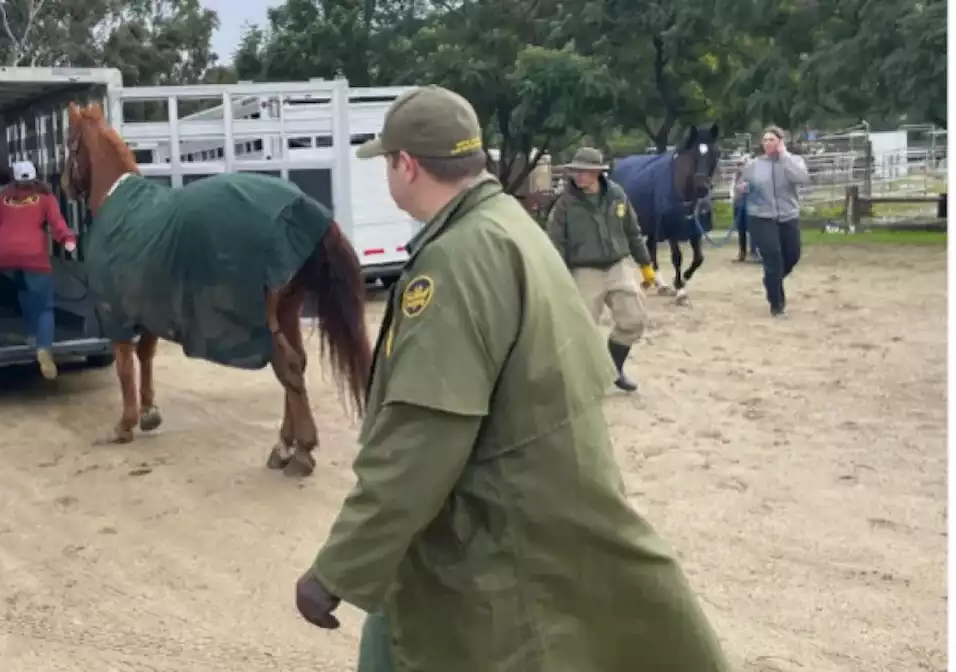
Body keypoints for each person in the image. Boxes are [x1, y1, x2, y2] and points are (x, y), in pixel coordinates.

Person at [292, 86, 729, 672]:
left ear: (407, 165)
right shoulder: (508, 225)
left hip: (496, 525)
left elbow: (422, 434)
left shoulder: (454, 260)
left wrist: (339, 568)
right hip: (542, 503)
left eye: (387, 162)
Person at [546, 147, 656, 393]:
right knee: (581, 329)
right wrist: (558, 278)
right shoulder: (564, 204)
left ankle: (613, 369)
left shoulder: (616, 195)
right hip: (584, 271)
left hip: (617, 266)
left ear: (598, 172)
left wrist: (646, 265)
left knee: (634, 319)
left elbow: (632, 231)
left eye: (585, 171)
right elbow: (555, 243)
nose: (579, 176)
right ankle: (581, 380)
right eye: (576, 171)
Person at [0, 160, 77, 379]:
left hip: (5, 257)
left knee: (24, 291)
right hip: (34, 257)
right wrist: (68, 240)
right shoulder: (45, 198)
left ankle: (30, 336)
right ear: (35, 178)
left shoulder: (1, 198)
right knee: (45, 305)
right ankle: (43, 349)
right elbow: (57, 224)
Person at [736, 126, 809, 316]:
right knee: (773, 257)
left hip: (788, 215)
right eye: (765, 140)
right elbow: (739, 187)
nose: (768, 143)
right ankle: (777, 305)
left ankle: (771, 280)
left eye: (772, 140)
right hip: (761, 217)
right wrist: (742, 188)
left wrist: (784, 155)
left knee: (792, 255)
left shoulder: (793, 161)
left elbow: (802, 178)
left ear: (780, 141)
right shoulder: (754, 165)